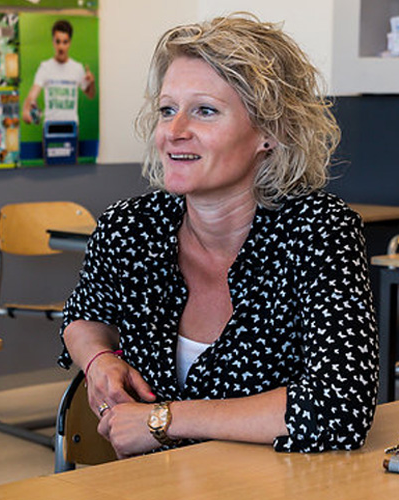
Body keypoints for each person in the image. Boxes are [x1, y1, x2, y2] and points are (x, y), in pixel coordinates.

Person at [59, 13, 378, 458]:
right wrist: (98, 359)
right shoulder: (129, 227)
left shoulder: (318, 230)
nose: (174, 131)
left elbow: (339, 406)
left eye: (204, 110)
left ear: (270, 132)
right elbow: (84, 316)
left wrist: (163, 419)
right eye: (168, 110)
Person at [21, 19, 96, 126]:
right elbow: (32, 95)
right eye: (58, 41)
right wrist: (25, 109)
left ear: (69, 43)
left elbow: (90, 94)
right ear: (53, 42)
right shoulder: (45, 67)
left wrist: (92, 82)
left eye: (65, 42)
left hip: (71, 127)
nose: (61, 47)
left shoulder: (77, 68)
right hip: (50, 127)